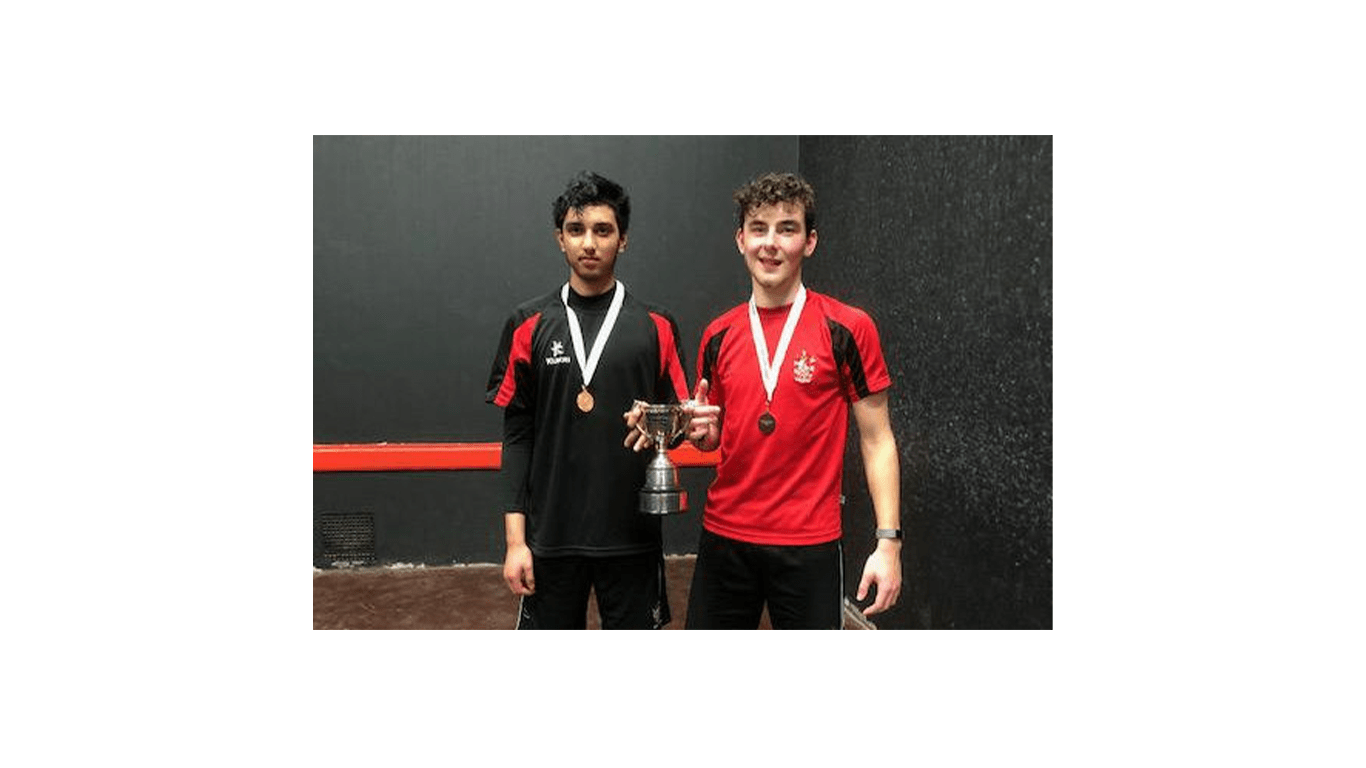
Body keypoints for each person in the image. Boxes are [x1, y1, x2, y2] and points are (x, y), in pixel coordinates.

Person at [627, 171, 902, 629]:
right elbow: (714, 436)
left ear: (810, 242)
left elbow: (878, 440)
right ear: (741, 239)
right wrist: (702, 434)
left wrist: (888, 542)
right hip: (725, 537)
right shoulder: (718, 334)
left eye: (786, 229)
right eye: (758, 228)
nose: (770, 243)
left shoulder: (848, 329)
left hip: (810, 543)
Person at [486, 171, 690, 629]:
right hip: (551, 539)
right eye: (576, 230)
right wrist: (515, 542)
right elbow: (517, 439)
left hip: (632, 537)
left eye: (603, 230)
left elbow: (676, 429)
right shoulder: (527, 324)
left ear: (623, 240)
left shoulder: (657, 326)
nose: (590, 243)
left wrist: (670, 425)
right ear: (560, 238)